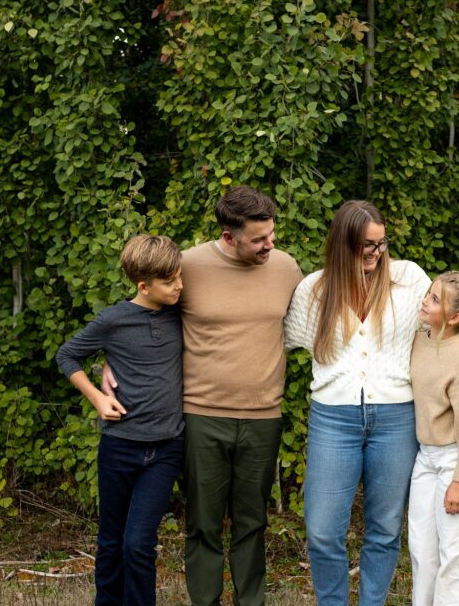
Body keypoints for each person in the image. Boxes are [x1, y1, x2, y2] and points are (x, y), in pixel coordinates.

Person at [104, 186, 303, 605]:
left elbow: (313, 324)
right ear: (229, 236)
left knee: (252, 523)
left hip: (264, 417)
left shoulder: (286, 268)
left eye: (272, 234)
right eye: (259, 239)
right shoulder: (189, 267)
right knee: (203, 525)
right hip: (200, 417)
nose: (270, 245)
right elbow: (142, 314)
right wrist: (111, 363)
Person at [285, 199, 431, 606]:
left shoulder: (409, 279)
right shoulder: (315, 289)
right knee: (322, 530)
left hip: (397, 417)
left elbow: (443, 335)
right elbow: (271, 340)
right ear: (342, 242)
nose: (376, 253)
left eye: (381, 244)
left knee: (385, 528)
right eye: (367, 245)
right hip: (333, 419)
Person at [55, 234, 185, 606]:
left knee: (138, 543)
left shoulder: (182, 312)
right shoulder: (113, 320)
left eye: (179, 276)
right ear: (143, 286)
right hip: (120, 446)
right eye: (169, 281)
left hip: (167, 447)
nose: (179, 285)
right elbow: (67, 355)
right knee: (111, 542)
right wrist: (97, 397)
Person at [407, 271, 459, 606]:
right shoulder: (420, 338)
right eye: (428, 293)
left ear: (454, 318)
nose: (424, 301)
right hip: (427, 456)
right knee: (421, 549)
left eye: (434, 300)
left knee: (454, 554)